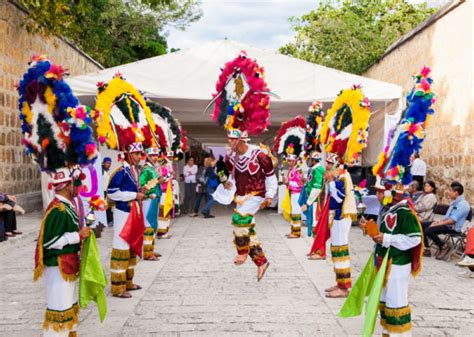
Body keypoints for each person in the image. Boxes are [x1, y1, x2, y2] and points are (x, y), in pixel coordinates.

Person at [34, 168, 91, 336]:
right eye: (75, 184)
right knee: (59, 309)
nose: (78, 188)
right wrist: (77, 236)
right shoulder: (58, 210)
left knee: (67, 306)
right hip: (58, 266)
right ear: (68, 186)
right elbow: (49, 242)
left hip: (68, 263)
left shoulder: (67, 206)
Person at [365, 179, 423, 336]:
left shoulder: (404, 212)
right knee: (387, 301)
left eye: (380, 192)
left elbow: (415, 238)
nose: (377, 195)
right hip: (385, 262)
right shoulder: (389, 210)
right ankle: (388, 333)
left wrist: (386, 238)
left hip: (397, 264)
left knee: (396, 302)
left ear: (391, 194)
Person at [107, 143, 145, 298]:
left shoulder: (133, 171)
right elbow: (112, 193)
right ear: (128, 154)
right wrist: (134, 195)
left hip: (132, 213)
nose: (139, 157)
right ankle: (117, 286)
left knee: (130, 246)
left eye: (140, 154)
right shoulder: (120, 171)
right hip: (123, 213)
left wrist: (139, 193)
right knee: (121, 246)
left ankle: (128, 281)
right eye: (136, 154)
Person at [424, 181, 470, 260]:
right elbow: (447, 218)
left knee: (428, 230)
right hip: (446, 224)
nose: (449, 193)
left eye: (451, 191)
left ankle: (443, 246)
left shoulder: (463, 205)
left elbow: (452, 221)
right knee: (422, 224)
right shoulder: (455, 202)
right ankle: (427, 248)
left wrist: (437, 224)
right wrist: (438, 222)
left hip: (453, 228)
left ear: (456, 193)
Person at [139, 146, 163, 261]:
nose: (154, 158)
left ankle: (151, 249)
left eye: (156, 155)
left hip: (155, 199)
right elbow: (142, 185)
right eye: (152, 156)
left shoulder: (153, 169)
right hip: (149, 200)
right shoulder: (146, 169)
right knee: (148, 225)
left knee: (153, 225)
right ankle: (147, 253)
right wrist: (149, 194)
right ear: (148, 157)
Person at [301, 152, 325, 237]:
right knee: (313, 221)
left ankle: (316, 245)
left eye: (309, 159)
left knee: (315, 220)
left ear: (314, 160)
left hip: (315, 200)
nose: (307, 161)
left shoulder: (318, 169)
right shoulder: (313, 169)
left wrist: (308, 203)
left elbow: (317, 187)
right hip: (312, 200)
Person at [157, 150, 174, 239]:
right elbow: (161, 180)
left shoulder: (169, 166)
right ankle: (161, 232)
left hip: (168, 191)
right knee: (163, 211)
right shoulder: (162, 167)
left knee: (167, 211)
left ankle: (165, 230)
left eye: (171, 157)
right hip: (163, 191)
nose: (170, 159)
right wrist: (169, 175)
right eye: (169, 157)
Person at [102, 157, 113, 225]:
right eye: (107, 163)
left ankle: (109, 220)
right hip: (102, 192)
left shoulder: (107, 171)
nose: (109, 164)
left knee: (108, 206)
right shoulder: (101, 170)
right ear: (104, 163)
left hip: (107, 191)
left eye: (110, 163)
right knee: (104, 206)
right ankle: (106, 221)